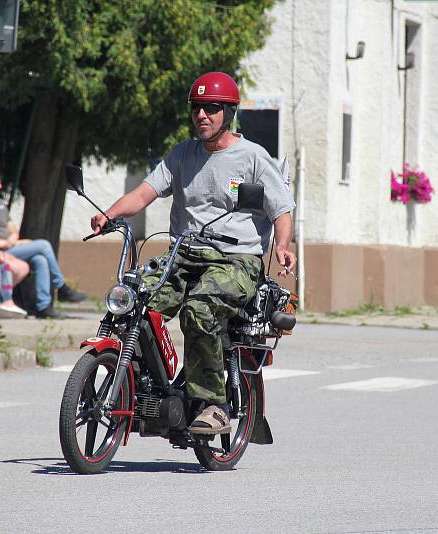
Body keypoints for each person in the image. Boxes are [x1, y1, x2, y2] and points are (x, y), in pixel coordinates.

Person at [90, 71, 296, 435]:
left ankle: (214, 404)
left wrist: (282, 245)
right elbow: (144, 193)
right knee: (132, 299)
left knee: (199, 310)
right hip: (183, 256)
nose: (203, 115)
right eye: (197, 108)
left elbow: (280, 209)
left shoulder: (252, 158)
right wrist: (110, 213)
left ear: (228, 112)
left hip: (236, 260)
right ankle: (140, 389)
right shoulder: (183, 154)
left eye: (212, 108)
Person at [0, 167, 87, 319]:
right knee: (43, 245)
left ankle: (43, 307)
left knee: (40, 260)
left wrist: (13, 241)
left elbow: (13, 229)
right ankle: (61, 287)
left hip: (10, 247)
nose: (0, 186)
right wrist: (7, 243)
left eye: (0, 182)